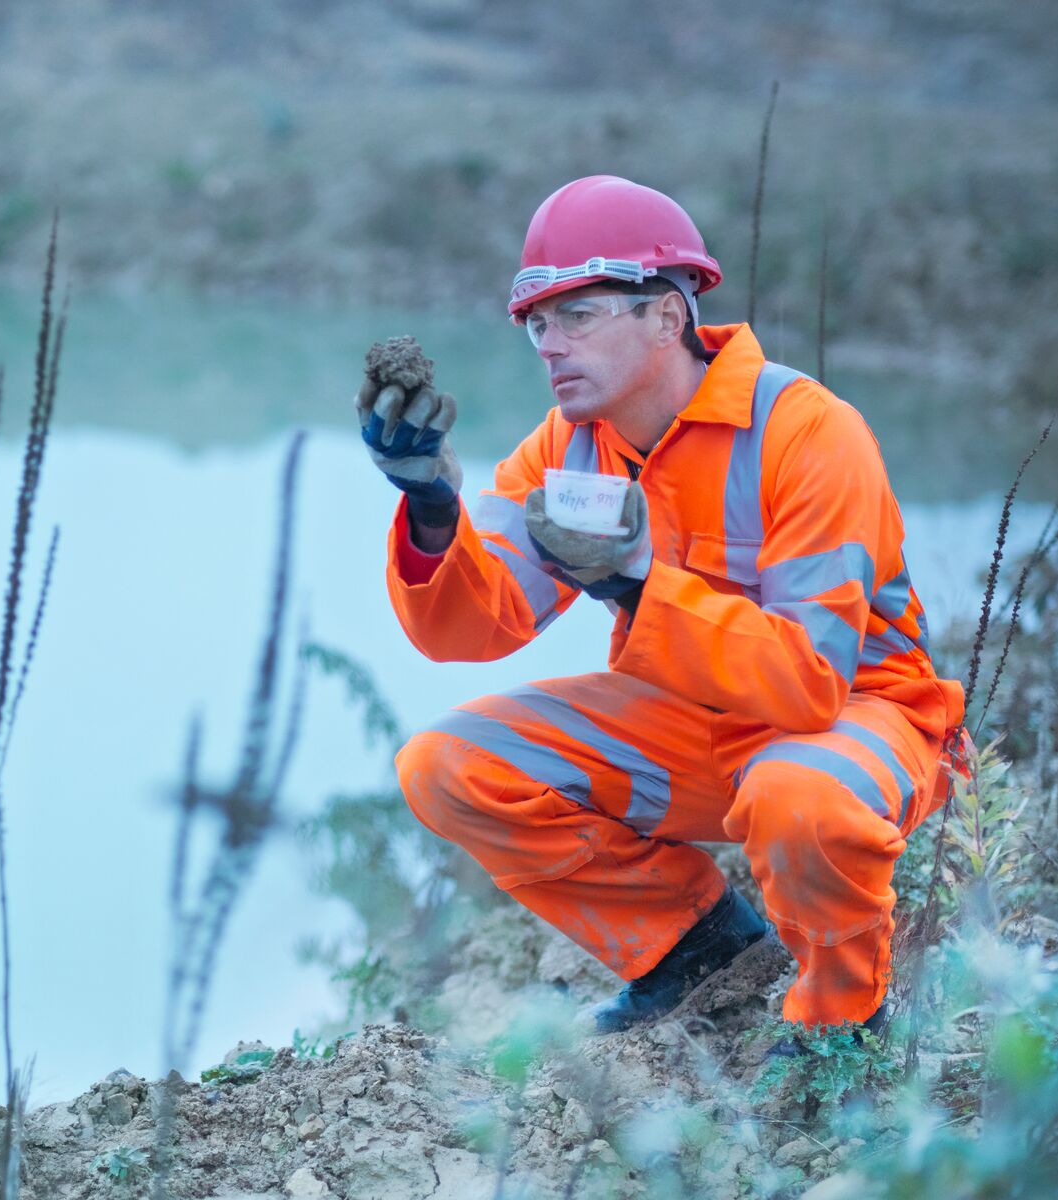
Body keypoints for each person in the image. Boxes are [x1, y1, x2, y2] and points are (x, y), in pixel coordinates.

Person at [355, 175, 966, 1038]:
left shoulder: (806, 433)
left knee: (799, 798)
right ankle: (696, 950)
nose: (549, 345)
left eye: (579, 315)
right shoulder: (567, 449)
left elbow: (809, 685)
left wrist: (640, 586)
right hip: (696, 730)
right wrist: (429, 509)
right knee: (447, 766)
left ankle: (845, 1022)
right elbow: (473, 627)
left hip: (858, 724)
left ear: (667, 317)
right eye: (537, 322)